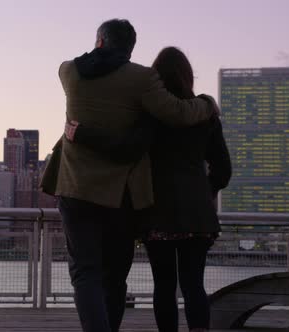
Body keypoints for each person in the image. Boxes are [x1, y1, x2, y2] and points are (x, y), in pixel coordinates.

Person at [40, 19, 220, 332]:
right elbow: (178, 113)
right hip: (120, 196)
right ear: (131, 48)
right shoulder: (142, 79)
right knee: (114, 276)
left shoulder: (68, 72)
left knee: (85, 273)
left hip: (75, 189)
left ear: (99, 41)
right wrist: (207, 104)